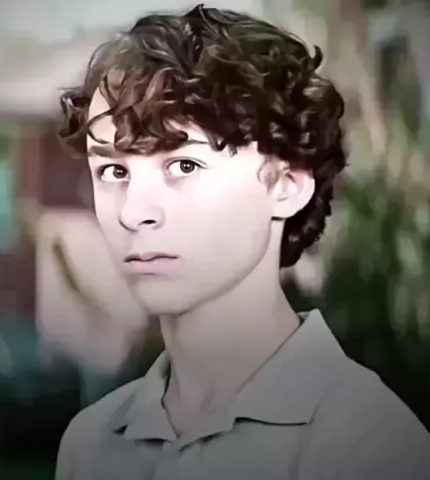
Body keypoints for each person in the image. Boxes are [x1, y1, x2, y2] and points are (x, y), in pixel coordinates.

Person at [55, 5, 430, 479]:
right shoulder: (90, 445)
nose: (133, 211)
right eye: (113, 171)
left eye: (184, 165)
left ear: (286, 185)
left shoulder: (372, 445)